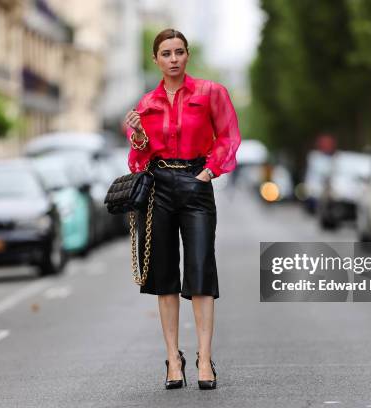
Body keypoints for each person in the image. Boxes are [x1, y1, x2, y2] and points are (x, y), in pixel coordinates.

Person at [124, 28, 241, 390]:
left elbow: (229, 135)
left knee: (201, 270)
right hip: (159, 187)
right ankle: (174, 358)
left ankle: (205, 359)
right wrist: (139, 136)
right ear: (155, 60)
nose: (173, 59)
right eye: (166, 53)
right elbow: (137, 160)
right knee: (164, 277)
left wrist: (209, 171)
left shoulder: (211, 93)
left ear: (187, 55)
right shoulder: (145, 105)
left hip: (196, 183)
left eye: (179, 52)